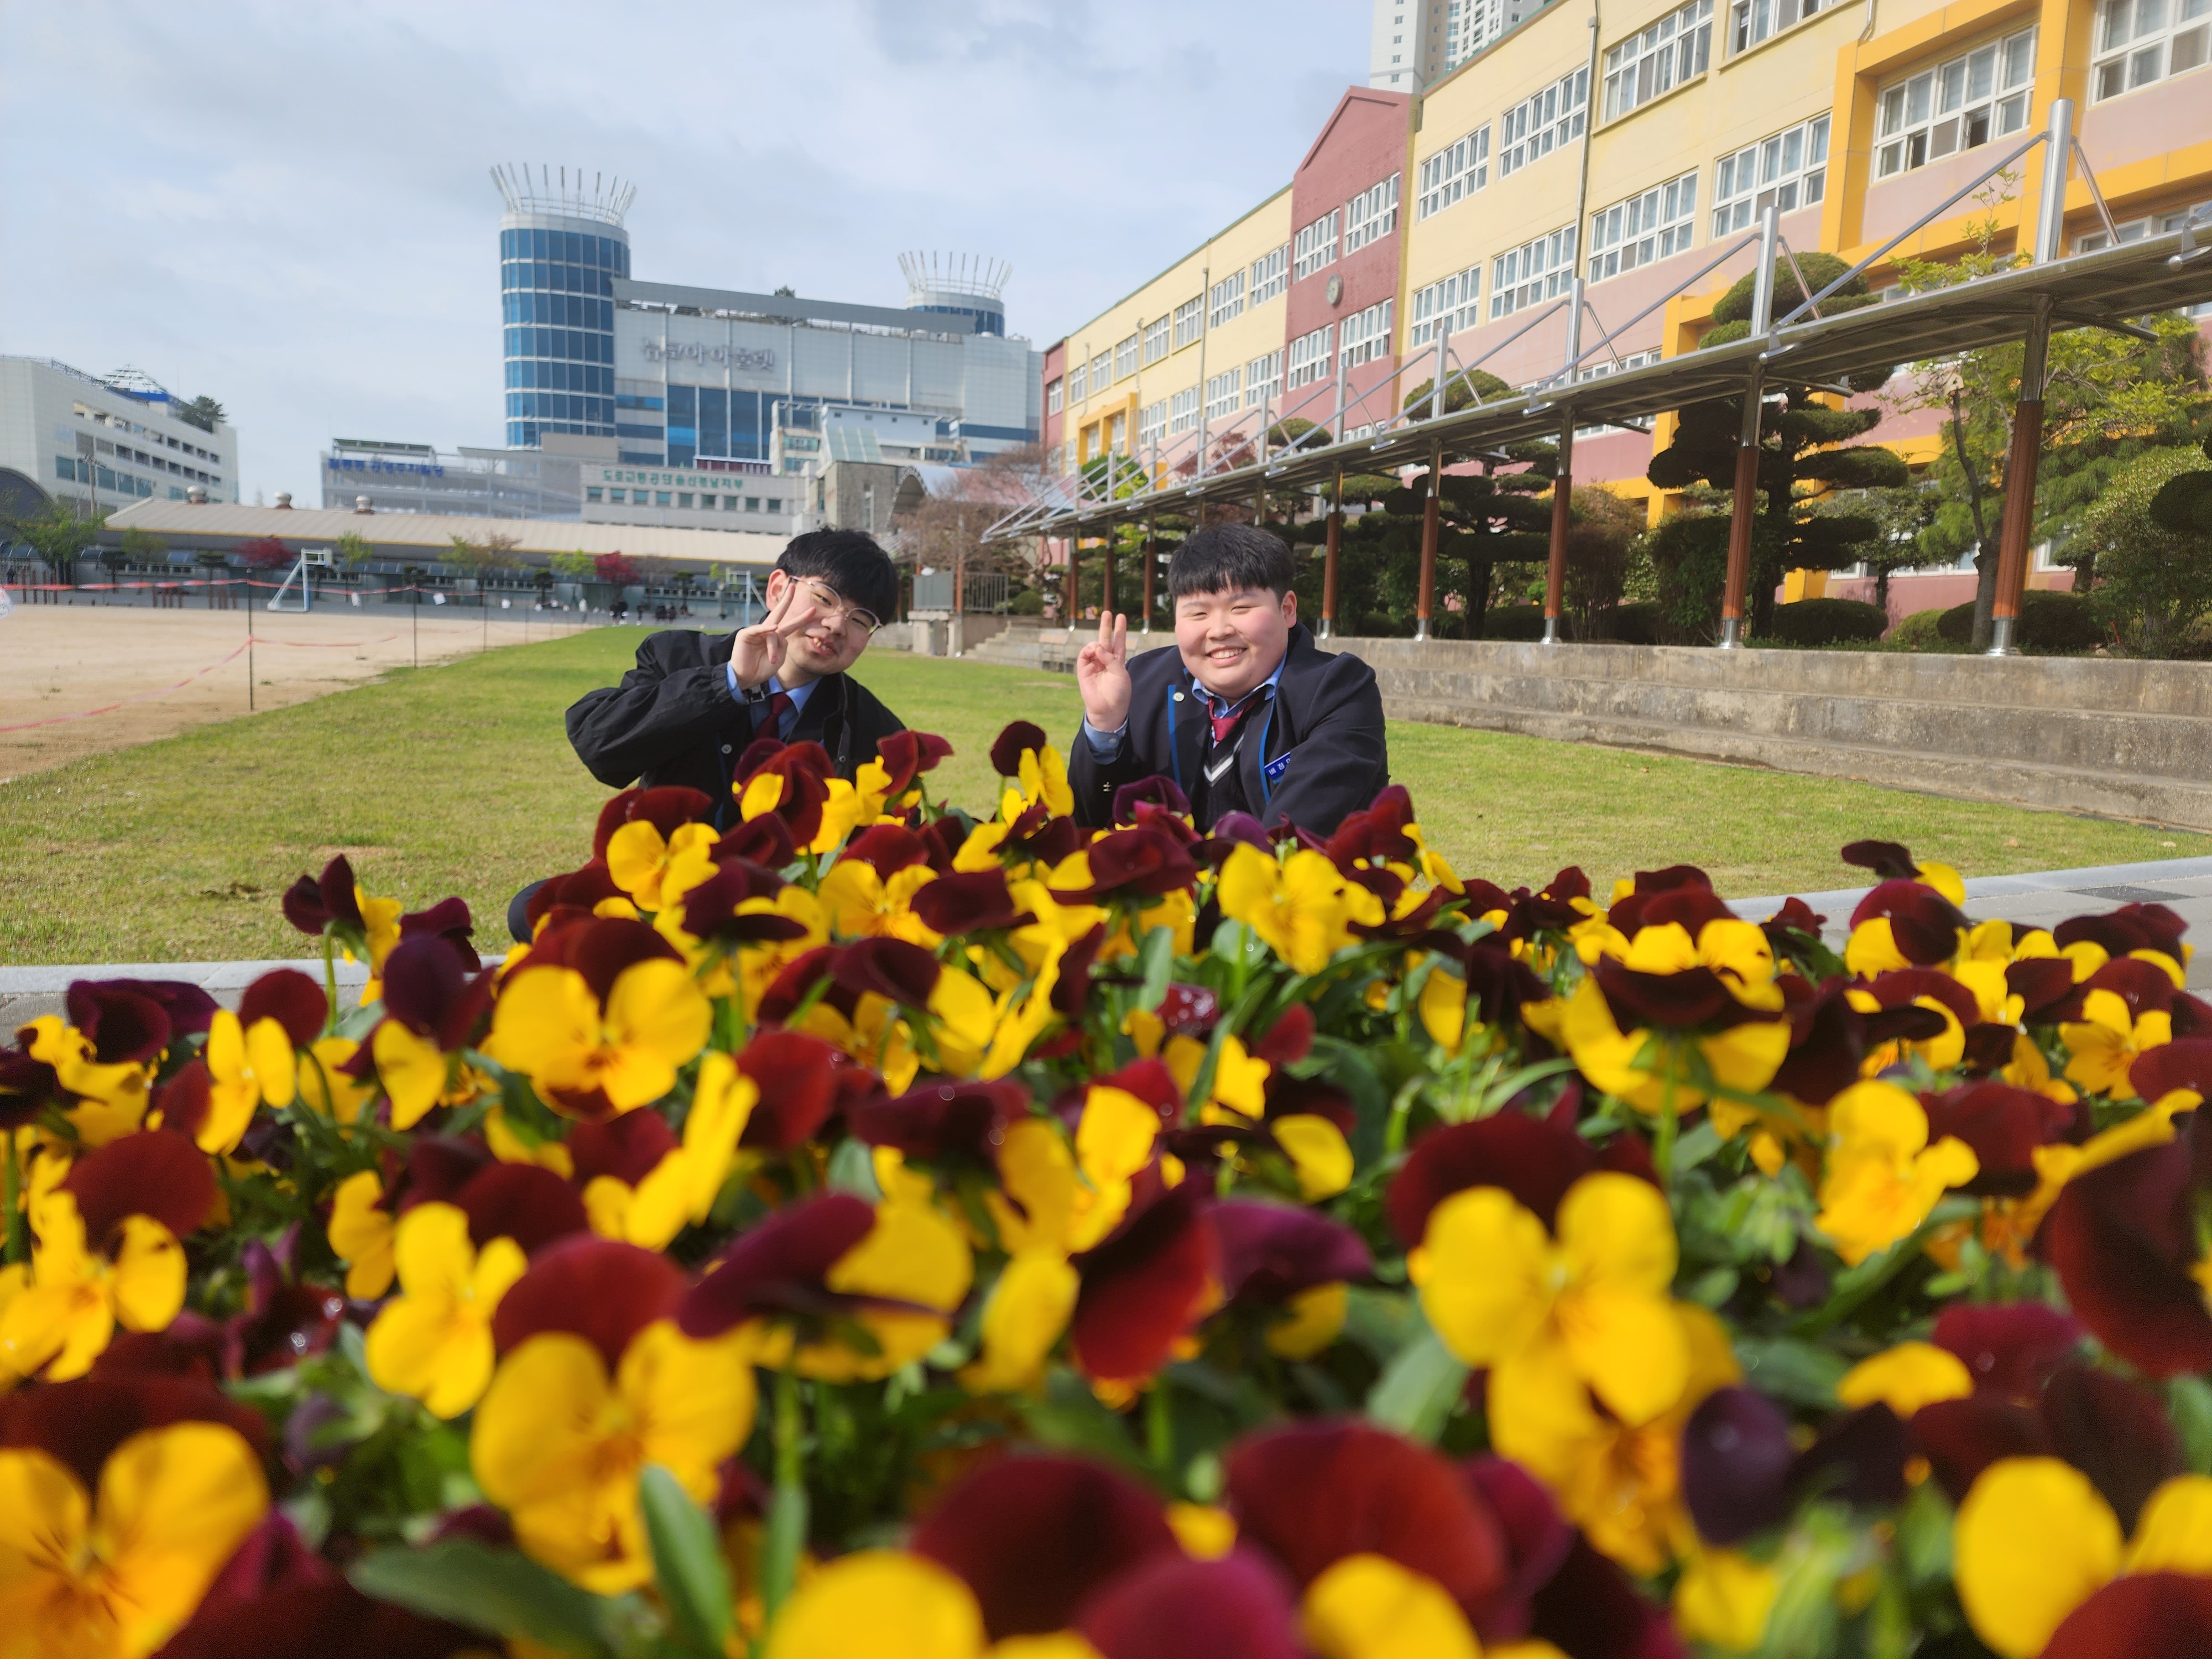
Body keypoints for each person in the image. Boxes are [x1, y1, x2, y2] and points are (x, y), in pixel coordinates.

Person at [516, 530, 905, 941]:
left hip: (778, 912)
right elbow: (599, 744)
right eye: (825, 598)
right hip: (667, 884)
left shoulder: (875, 730)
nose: (836, 625)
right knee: (533, 909)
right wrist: (727, 683)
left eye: (860, 620)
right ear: (778, 589)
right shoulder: (677, 657)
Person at [1069, 521, 1387, 837]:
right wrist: (1105, 725)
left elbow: (1294, 837)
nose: (1219, 630)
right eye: (1198, 613)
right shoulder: (1140, 682)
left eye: (1241, 607)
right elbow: (1088, 823)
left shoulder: (1339, 689)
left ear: (1287, 609)